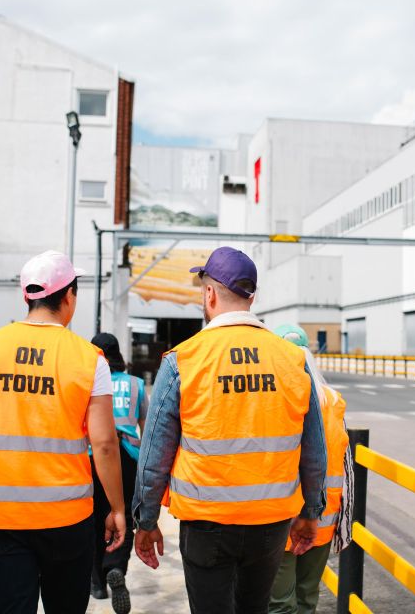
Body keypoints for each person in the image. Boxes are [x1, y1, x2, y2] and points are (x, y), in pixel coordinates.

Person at [131, 246, 328, 614]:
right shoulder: (292, 359)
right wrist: (311, 513)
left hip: (207, 524)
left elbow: (155, 452)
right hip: (270, 523)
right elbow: (314, 450)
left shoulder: (184, 360)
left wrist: (145, 519)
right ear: (252, 296)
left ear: (209, 294)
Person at [0, 250, 127, 614]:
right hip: (66, 518)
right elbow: (105, 444)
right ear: (69, 297)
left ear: (26, 296)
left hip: (0, 517)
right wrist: (118, 509)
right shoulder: (89, 358)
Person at [268, 324, 352, 614]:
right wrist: (344, 524)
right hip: (323, 520)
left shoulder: (277, 400)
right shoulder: (332, 401)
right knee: (307, 599)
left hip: (283, 518)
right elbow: (346, 467)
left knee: (279, 603)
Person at [89, 332, 147, 614]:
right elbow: (148, 430)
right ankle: (116, 569)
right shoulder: (136, 385)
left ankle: (97, 582)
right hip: (129, 458)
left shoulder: (87, 382)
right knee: (123, 516)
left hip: (92, 458)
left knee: (94, 518)